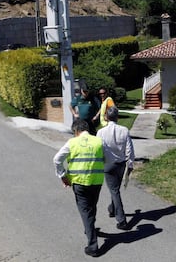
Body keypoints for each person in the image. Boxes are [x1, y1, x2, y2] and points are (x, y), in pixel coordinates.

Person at [53, 119, 105, 257]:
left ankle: (93, 245)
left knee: (85, 211)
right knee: (92, 207)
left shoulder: (72, 143)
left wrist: (63, 175)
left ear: (76, 131)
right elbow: (107, 158)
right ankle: (90, 229)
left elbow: (57, 159)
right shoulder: (99, 141)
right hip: (97, 181)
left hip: (79, 182)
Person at [96, 106, 135, 230]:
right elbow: (129, 149)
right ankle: (112, 208)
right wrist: (130, 164)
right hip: (121, 164)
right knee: (115, 190)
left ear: (106, 117)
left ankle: (122, 219)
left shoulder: (101, 132)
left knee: (114, 190)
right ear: (117, 117)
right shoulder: (124, 130)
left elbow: (98, 150)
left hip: (108, 164)